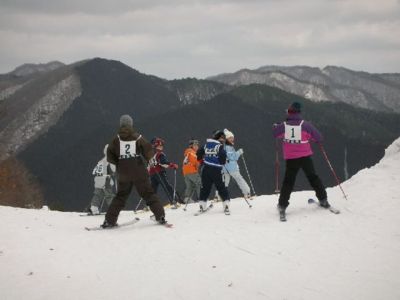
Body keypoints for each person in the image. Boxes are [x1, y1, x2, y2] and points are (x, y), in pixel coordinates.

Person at [102, 115, 167, 228]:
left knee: (121, 196)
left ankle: (109, 221)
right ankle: (160, 215)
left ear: (121, 124)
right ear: (131, 124)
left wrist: (118, 164)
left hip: (124, 173)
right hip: (138, 171)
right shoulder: (137, 137)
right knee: (148, 193)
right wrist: (150, 159)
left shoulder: (116, 140)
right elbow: (147, 148)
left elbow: (110, 154)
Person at [273, 102, 330, 221]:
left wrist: (276, 126)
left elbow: (275, 134)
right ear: (299, 112)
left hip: (291, 158)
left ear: (289, 112)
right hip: (305, 157)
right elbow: (319, 137)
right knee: (313, 177)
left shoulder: (284, 125)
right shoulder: (306, 125)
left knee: (288, 182)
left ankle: (282, 205)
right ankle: (323, 200)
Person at [197, 130, 231, 214]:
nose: (223, 140)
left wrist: (202, 160)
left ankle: (202, 204)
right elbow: (223, 157)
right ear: (219, 138)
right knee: (221, 187)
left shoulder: (206, 145)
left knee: (205, 188)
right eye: (222, 138)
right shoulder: (219, 146)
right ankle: (226, 204)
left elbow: (198, 153)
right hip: (216, 170)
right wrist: (223, 161)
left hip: (206, 169)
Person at [148, 137, 182, 208]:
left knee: (152, 190)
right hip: (159, 173)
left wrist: (147, 173)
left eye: (162, 146)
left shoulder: (151, 155)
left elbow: (149, 166)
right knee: (167, 186)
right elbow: (163, 163)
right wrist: (172, 165)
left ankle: (150, 205)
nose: (162, 147)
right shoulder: (160, 154)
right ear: (156, 146)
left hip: (152, 174)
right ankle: (174, 201)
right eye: (160, 146)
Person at [221, 129, 252, 199]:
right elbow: (232, 157)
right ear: (227, 138)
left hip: (225, 168)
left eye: (232, 137)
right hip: (232, 168)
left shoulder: (225, 146)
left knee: (224, 181)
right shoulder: (228, 147)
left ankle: (219, 195)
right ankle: (247, 192)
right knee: (239, 179)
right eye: (230, 138)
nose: (232, 139)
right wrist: (239, 152)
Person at [87, 144, 116, 215]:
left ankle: (94, 208)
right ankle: (113, 209)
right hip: (106, 180)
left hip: (98, 179)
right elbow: (113, 170)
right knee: (109, 195)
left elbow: (95, 171)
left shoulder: (101, 161)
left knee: (98, 194)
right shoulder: (110, 160)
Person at [182, 139, 202, 204]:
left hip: (186, 172)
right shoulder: (191, 152)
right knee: (199, 182)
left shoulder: (187, 153)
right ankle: (202, 198)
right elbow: (195, 161)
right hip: (192, 170)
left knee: (190, 185)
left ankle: (187, 198)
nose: (197, 147)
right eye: (195, 145)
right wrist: (199, 163)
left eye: (197, 145)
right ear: (191, 146)